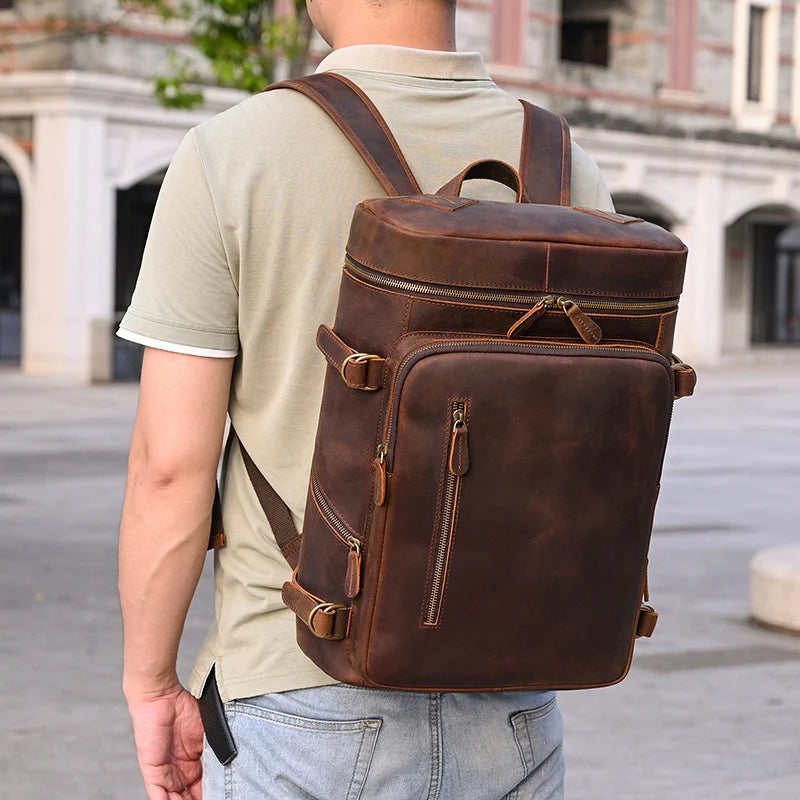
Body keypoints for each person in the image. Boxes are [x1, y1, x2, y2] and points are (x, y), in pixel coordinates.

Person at [117, 1, 615, 798]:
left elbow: (170, 467)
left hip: (299, 694)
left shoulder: (235, 152)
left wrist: (149, 683)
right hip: (515, 704)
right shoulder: (565, 167)